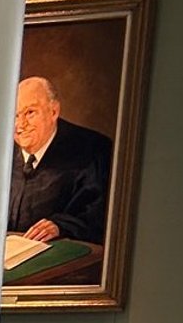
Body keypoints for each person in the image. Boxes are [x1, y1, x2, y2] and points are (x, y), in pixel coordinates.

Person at [9, 76, 112, 249]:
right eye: (15, 115)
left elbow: (100, 218)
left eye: (30, 113)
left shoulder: (93, 150)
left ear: (54, 111)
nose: (21, 125)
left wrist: (61, 226)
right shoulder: (1, 154)